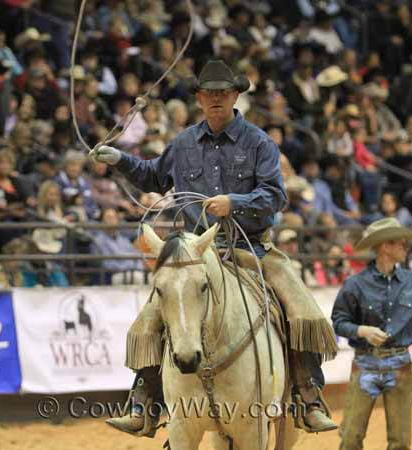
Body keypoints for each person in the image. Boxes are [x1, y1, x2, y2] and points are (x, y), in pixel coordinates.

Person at [91, 60, 338, 436]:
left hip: (251, 247)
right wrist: (120, 160)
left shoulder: (259, 142)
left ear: (236, 95)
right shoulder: (184, 143)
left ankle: (308, 395)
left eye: (223, 93)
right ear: (200, 98)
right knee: (154, 313)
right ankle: (143, 402)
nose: (216, 99)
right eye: (209, 93)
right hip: (195, 252)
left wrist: (234, 203)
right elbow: (154, 176)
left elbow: (275, 195)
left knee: (299, 305)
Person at [331, 218, 412, 450]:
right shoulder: (355, 284)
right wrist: (361, 330)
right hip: (366, 363)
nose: (406, 248)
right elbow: (338, 322)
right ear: (386, 246)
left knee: (401, 442)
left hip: (400, 366)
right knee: (350, 438)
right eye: (402, 244)